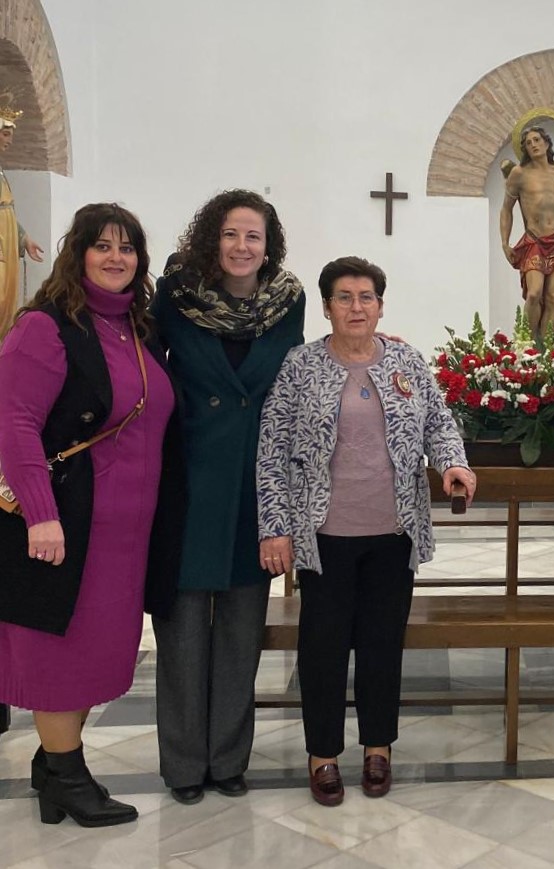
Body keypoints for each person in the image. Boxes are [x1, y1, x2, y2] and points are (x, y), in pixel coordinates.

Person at [257, 256, 474, 806]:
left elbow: (438, 423)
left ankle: (379, 748)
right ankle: (323, 755)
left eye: (366, 297)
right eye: (344, 297)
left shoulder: (405, 359)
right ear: (327, 307)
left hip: (392, 533)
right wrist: (275, 527)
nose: (356, 307)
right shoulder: (300, 365)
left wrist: (454, 463)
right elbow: (273, 450)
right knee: (323, 649)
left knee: (382, 647)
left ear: (381, 305)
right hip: (324, 537)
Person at [0, 203, 178, 826]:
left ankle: (54, 771)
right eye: (101, 246)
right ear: (77, 253)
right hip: (69, 522)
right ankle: (68, 779)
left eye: (126, 248)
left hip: (126, 532)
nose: (115, 257)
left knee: (98, 649)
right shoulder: (45, 327)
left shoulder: (138, 329)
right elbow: (14, 421)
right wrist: (40, 515)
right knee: (59, 650)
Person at [150, 190, 305, 806]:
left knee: (242, 630)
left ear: (269, 247)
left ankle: (229, 760)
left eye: (255, 237)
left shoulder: (287, 301)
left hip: (255, 483)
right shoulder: (176, 295)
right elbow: (150, 370)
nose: (243, 247)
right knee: (183, 630)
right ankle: (185, 765)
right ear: (212, 237)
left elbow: (293, 379)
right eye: (232, 234)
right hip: (186, 479)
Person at [499, 125, 554, 341]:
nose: (533, 144)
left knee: (553, 297)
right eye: (528, 143)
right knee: (534, 293)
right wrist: (505, 243)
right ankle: (527, 344)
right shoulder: (519, 174)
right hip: (535, 240)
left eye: (536, 140)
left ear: (547, 143)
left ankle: (548, 351)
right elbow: (507, 209)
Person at [0, 104, 45, 334]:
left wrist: (24, 237)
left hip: (7, 243)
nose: (9, 141)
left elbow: (6, 209)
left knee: (7, 298)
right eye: (6, 134)